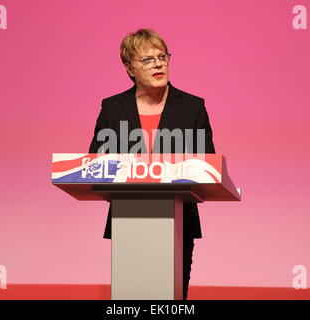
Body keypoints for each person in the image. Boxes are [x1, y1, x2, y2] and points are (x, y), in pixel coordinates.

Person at [88, 28, 216, 300]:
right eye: (147, 59)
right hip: (128, 219)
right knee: (131, 297)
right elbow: (95, 162)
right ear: (129, 68)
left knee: (171, 298)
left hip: (178, 222)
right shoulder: (112, 108)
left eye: (162, 56)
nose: (158, 63)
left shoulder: (192, 107)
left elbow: (206, 164)